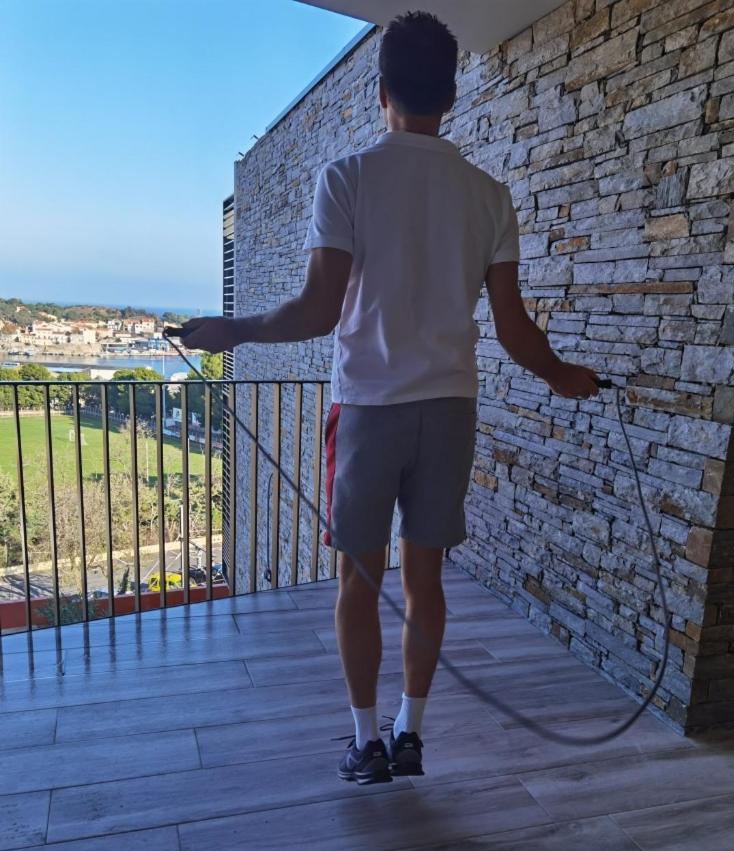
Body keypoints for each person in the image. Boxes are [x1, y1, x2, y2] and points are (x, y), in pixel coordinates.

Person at [178, 11, 600, 786]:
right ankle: (411, 734)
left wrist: (232, 330)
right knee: (424, 580)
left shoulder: (347, 179)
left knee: (358, 583)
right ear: (452, 93)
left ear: (381, 93)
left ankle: (366, 743)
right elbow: (513, 328)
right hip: (450, 411)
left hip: (368, 412)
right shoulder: (489, 196)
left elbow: (317, 311)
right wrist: (563, 376)